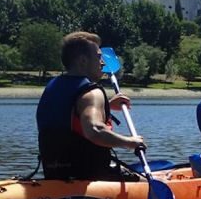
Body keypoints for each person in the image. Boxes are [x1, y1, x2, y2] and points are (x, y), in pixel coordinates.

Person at [36, 31, 145, 181]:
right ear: (83, 61)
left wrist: (107, 105)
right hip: (91, 176)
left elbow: (70, 115)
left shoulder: (54, 87)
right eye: (99, 57)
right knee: (148, 180)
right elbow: (94, 130)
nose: (103, 63)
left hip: (55, 175)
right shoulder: (92, 93)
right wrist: (130, 142)